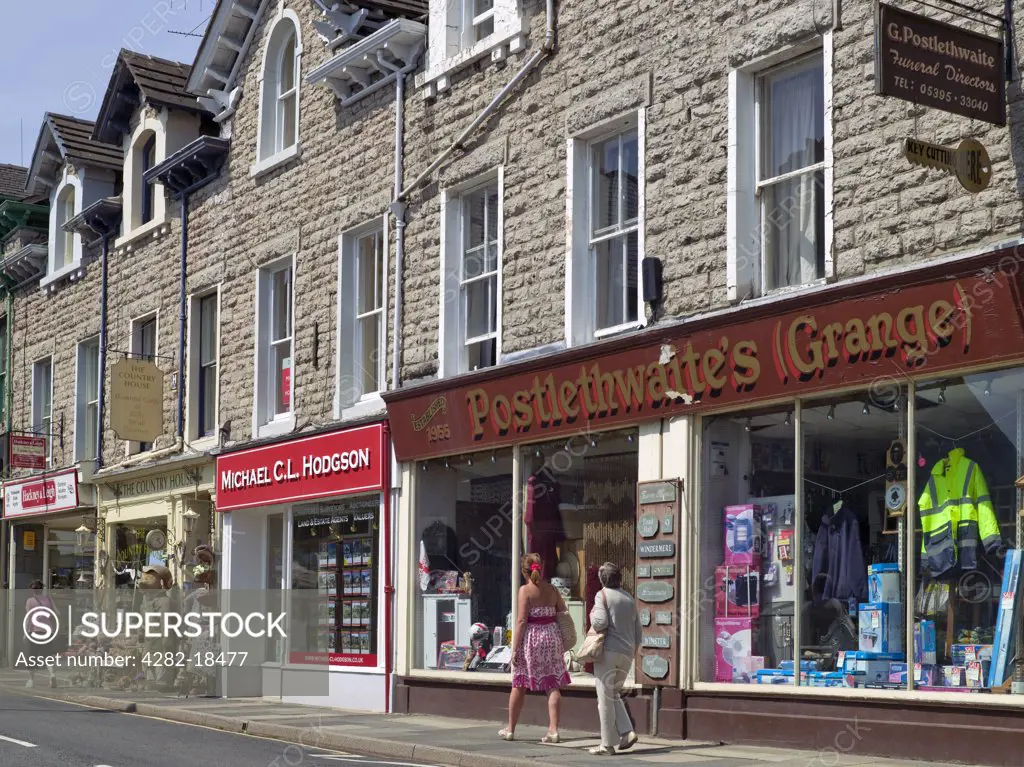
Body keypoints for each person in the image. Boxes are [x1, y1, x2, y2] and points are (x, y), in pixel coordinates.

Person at [500, 553, 570, 743]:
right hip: (552, 637)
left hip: (531, 639)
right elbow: (563, 610)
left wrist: (514, 649)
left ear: (524, 572)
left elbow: (522, 620)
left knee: (519, 683)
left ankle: (510, 729)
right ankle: (553, 730)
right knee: (553, 685)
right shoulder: (553, 589)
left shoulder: (525, 590)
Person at [588, 562, 642, 756]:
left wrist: (593, 612)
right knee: (613, 693)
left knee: (604, 698)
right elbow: (638, 633)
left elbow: (600, 622)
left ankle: (606, 744)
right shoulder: (629, 598)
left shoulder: (601, 595)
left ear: (603, 579)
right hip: (627, 653)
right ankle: (627, 732)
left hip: (608, 651)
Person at [24, 580, 61, 688]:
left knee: (32, 656)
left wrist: (25, 633)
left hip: (34, 631)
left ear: (32, 589)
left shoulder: (30, 601)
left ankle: (31, 680)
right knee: (48, 655)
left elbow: (28, 618)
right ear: (42, 589)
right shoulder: (49, 599)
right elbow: (57, 613)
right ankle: (52, 675)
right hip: (48, 632)